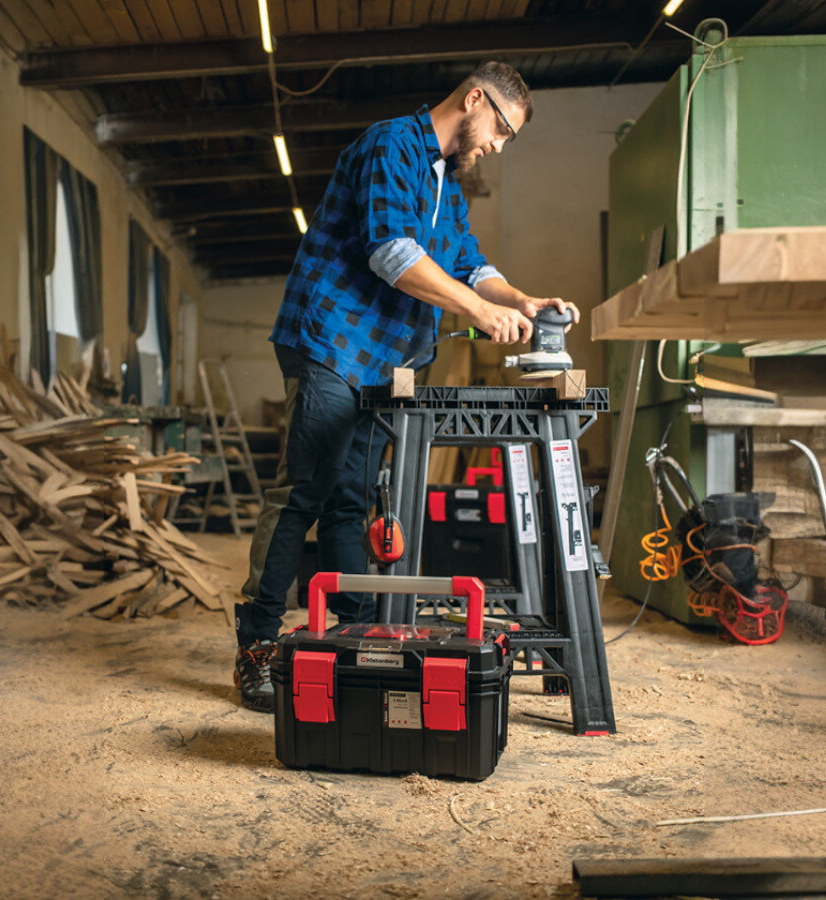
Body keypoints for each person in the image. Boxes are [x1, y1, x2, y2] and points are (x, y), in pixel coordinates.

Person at [233, 61, 580, 711]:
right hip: (331, 338)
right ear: (474, 100)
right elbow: (391, 252)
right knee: (305, 492)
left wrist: (521, 301)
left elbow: (470, 264)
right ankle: (256, 643)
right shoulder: (392, 144)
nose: (498, 146)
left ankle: (353, 638)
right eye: (501, 130)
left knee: (351, 501)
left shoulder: (445, 180)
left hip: (385, 360)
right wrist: (479, 313)